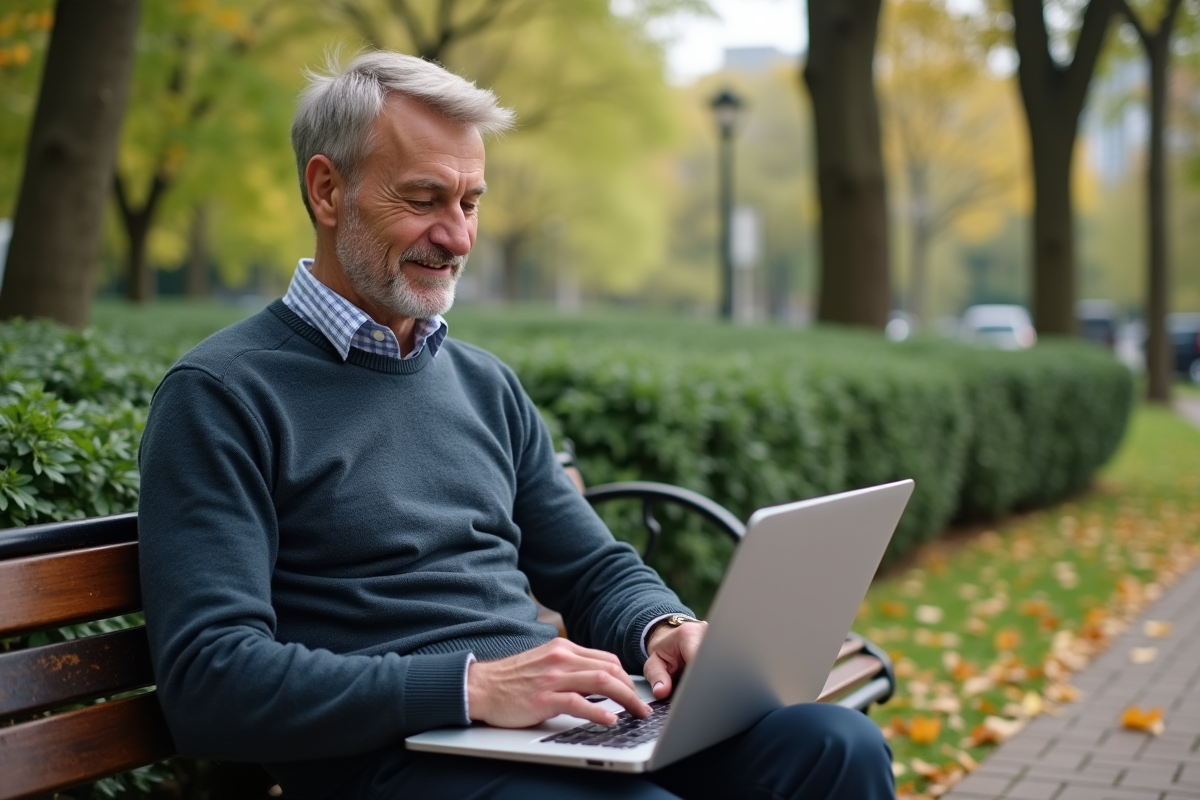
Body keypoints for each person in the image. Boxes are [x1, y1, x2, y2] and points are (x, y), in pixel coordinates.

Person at [137, 50, 895, 800]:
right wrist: (469, 688)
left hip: (548, 729)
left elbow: (591, 568)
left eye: (469, 203)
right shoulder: (221, 394)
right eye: (424, 198)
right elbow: (211, 679)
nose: (458, 237)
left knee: (836, 747)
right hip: (393, 758)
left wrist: (662, 629)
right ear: (328, 190)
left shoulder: (482, 384)